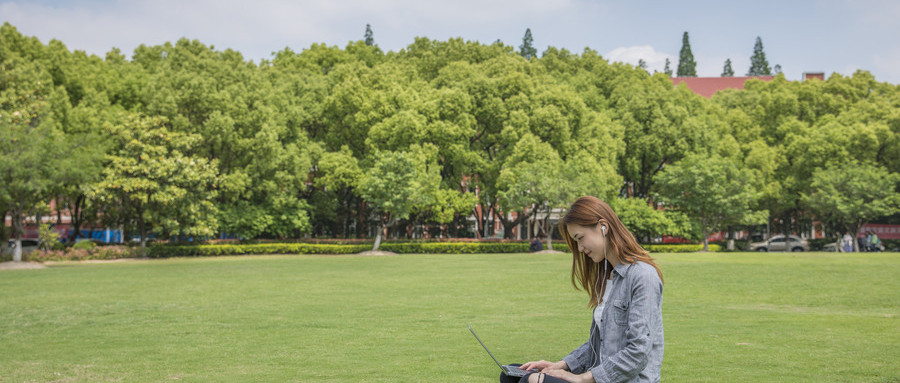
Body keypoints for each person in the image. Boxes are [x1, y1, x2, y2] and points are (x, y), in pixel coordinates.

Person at [501, 196, 664, 383]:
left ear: (604, 227)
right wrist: (560, 365)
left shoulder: (643, 276)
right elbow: (597, 345)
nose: (579, 248)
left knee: (532, 381)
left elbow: (638, 353)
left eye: (580, 238)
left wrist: (581, 378)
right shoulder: (607, 277)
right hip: (596, 377)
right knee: (511, 375)